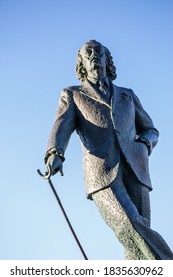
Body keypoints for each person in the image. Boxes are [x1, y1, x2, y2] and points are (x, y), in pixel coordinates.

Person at [44, 40, 173, 259]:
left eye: (98, 52)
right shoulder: (73, 94)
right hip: (101, 174)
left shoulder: (127, 95)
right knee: (129, 225)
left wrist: (144, 143)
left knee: (136, 244)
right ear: (82, 62)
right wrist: (55, 152)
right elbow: (62, 124)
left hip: (137, 170)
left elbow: (151, 129)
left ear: (106, 59)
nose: (94, 55)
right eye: (88, 53)